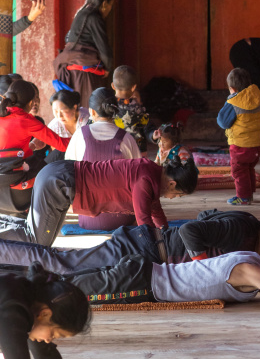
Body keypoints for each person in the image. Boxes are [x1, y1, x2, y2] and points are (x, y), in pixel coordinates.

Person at [18, 251, 260, 311]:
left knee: (56, 281)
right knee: (59, 293)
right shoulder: (253, 273)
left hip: (141, 272)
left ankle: (14, 281)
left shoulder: (257, 260)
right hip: (140, 283)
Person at [0, 207, 260, 273]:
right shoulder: (243, 231)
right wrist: (201, 266)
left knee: (63, 263)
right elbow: (189, 231)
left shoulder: (246, 227)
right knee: (62, 264)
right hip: (141, 245)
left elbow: (206, 216)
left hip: (144, 243)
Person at [0, 155, 199, 246]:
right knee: (37, 242)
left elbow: (155, 210)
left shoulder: (151, 172)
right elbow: (143, 222)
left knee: (34, 232)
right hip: (60, 183)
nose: (173, 198)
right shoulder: (146, 179)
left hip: (59, 176)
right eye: (178, 195)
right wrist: (160, 250)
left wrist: (167, 233)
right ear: (172, 184)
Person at [65, 88, 141, 231]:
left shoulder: (80, 135)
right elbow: (139, 177)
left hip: (88, 219)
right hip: (123, 219)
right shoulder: (126, 138)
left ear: (92, 112)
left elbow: (68, 170)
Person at [0, 80, 70, 214]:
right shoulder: (27, 120)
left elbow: (9, 152)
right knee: (59, 159)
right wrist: (84, 133)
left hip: (3, 193)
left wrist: (31, 146)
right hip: (18, 194)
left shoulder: (3, 114)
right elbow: (63, 146)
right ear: (31, 103)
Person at [54, 0, 114, 108]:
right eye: (110, 5)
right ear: (104, 4)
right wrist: (107, 68)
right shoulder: (94, 18)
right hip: (84, 72)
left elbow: (68, 37)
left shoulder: (81, 14)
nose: (110, 9)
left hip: (72, 69)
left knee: (75, 107)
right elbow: (103, 47)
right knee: (88, 108)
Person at [217, 67, 260, 206]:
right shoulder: (258, 98)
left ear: (231, 88)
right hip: (257, 143)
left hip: (240, 144)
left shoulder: (233, 102)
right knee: (249, 167)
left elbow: (223, 122)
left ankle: (243, 197)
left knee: (239, 170)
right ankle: (249, 193)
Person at [111, 65, 149, 155]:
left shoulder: (108, 105)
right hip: (134, 149)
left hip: (113, 148)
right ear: (133, 87)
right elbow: (145, 123)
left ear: (113, 86)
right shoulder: (136, 107)